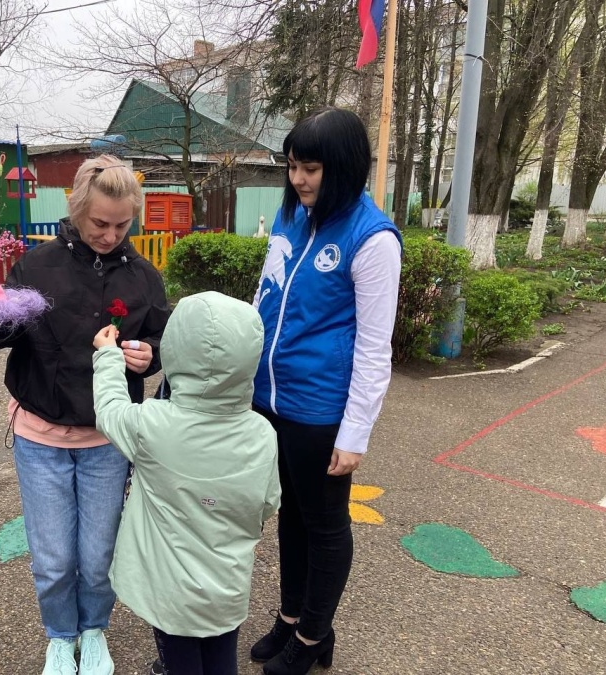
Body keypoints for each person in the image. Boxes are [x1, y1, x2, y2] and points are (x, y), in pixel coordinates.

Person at [0, 155, 170, 675]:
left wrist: (150, 353)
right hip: (41, 435)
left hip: (107, 438)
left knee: (99, 553)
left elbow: (164, 339)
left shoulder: (145, 279)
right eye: (100, 222)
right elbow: (10, 333)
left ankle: (93, 630)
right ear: (77, 209)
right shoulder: (37, 268)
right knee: (55, 556)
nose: (110, 234)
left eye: (123, 225)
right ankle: (61, 635)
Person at [249, 107, 402, 675]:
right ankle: (291, 619)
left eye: (310, 168)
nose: (299, 180)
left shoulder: (372, 237)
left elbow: (373, 348)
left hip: (320, 410)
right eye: (292, 167)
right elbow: (265, 295)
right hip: (271, 399)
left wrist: (355, 432)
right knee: (290, 514)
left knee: (326, 523)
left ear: (341, 167)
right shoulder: (292, 215)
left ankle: (315, 637)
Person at [91, 291, 281, 675]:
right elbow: (268, 503)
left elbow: (109, 410)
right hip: (227, 584)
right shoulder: (262, 433)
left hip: (170, 590)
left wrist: (109, 357)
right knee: (221, 655)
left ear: (177, 351)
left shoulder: (153, 423)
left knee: (179, 660)